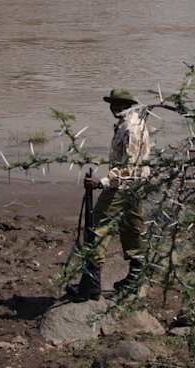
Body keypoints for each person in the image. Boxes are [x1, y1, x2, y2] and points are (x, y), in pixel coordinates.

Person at [65, 88, 152, 301]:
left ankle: (90, 285)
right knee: (132, 228)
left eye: (119, 103)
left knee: (97, 229)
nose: (114, 107)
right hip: (134, 187)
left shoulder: (131, 128)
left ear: (129, 105)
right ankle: (135, 279)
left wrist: (101, 182)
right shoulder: (128, 123)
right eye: (112, 103)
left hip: (122, 187)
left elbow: (131, 168)